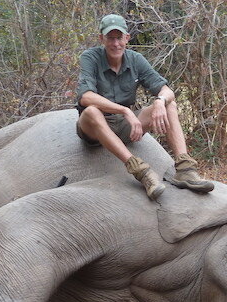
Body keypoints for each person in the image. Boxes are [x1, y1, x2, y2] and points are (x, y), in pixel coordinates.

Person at [75, 14, 214, 200]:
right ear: (102, 39)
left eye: (119, 38)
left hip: (123, 126)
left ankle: (185, 169)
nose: (116, 43)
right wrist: (125, 110)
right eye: (110, 38)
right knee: (91, 111)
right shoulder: (90, 57)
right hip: (95, 127)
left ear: (127, 38)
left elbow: (166, 90)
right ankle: (141, 172)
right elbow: (85, 96)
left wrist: (159, 101)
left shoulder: (135, 59)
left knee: (169, 104)